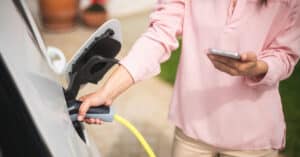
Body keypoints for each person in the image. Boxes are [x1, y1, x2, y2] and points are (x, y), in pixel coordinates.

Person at [77, 0, 300, 156]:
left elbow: (285, 54)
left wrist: (258, 67)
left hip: (253, 137)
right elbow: (158, 37)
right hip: (192, 132)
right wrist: (107, 92)